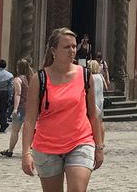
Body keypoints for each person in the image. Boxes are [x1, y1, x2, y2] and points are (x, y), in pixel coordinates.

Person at [21, 28, 105, 191]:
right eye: (67, 47)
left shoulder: (85, 75)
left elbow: (93, 115)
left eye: (74, 46)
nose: (72, 51)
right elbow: (30, 120)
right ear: (53, 50)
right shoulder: (39, 79)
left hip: (80, 141)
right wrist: (25, 153)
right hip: (47, 147)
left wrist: (99, 146)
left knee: (77, 189)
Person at [1, 58, 32, 158]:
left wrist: (15, 108)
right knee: (29, 131)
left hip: (21, 108)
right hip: (31, 108)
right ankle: (28, 150)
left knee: (15, 130)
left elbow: (17, 94)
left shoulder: (18, 80)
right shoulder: (32, 78)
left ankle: (10, 150)